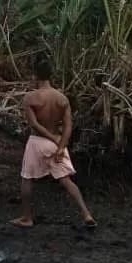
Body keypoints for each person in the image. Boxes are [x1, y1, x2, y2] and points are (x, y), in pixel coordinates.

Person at [11, 58, 96, 229]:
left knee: (27, 178)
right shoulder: (62, 98)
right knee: (66, 180)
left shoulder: (30, 98)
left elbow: (34, 124)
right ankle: (86, 214)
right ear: (51, 75)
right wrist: (61, 145)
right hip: (57, 143)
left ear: (35, 75)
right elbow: (68, 126)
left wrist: (51, 138)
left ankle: (27, 218)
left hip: (37, 142)